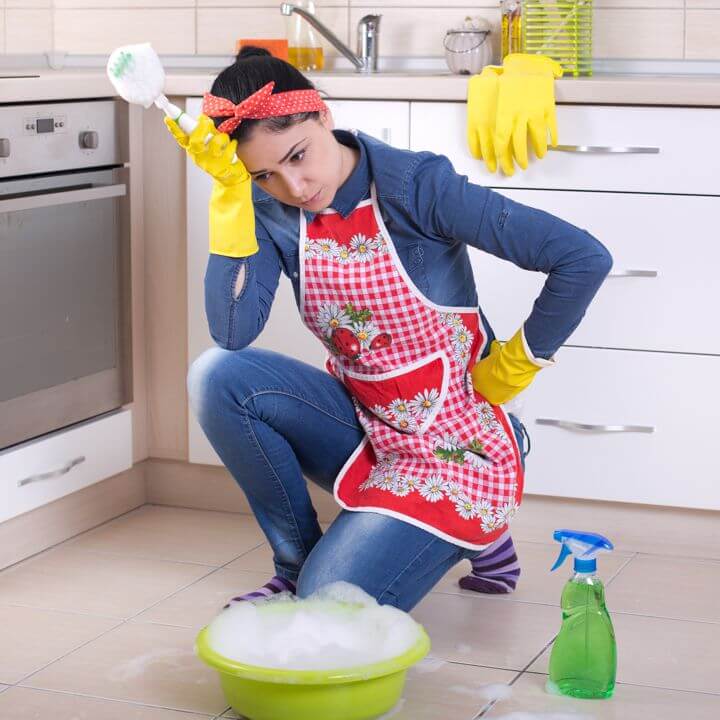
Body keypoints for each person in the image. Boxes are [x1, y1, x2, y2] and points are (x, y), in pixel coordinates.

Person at [166, 47, 612, 612]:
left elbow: (581, 257)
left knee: (331, 605)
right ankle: (296, 564)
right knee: (217, 376)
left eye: (299, 155)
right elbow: (232, 332)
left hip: (462, 440)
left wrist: (514, 365)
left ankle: (475, 525)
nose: (296, 187)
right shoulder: (264, 205)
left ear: (323, 115)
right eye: (266, 175)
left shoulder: (416, 185)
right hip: (366, 421)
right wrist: (231, 198)